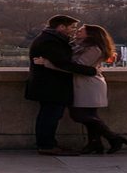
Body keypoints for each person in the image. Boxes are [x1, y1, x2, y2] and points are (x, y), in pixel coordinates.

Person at [25, 15, 100, 156]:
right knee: (50, 116)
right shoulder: (51, 42)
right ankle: (47, 145)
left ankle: (47, 144)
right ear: (61, 27)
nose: (73, 30)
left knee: (48, 115)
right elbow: (64, 64)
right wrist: (90, 70)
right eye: (72, 27)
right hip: (51, 85)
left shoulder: (50, 39)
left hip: (48, 84)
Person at [65, 24, 127, 154]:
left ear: (90, 34)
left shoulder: (93, 49)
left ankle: (113, 137)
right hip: (85, 84)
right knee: (90, 117)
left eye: (81, 30)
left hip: (87, 85)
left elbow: (79, 66)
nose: (77, 31)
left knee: (79, 115)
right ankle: (95, 143)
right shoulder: (84, 46)